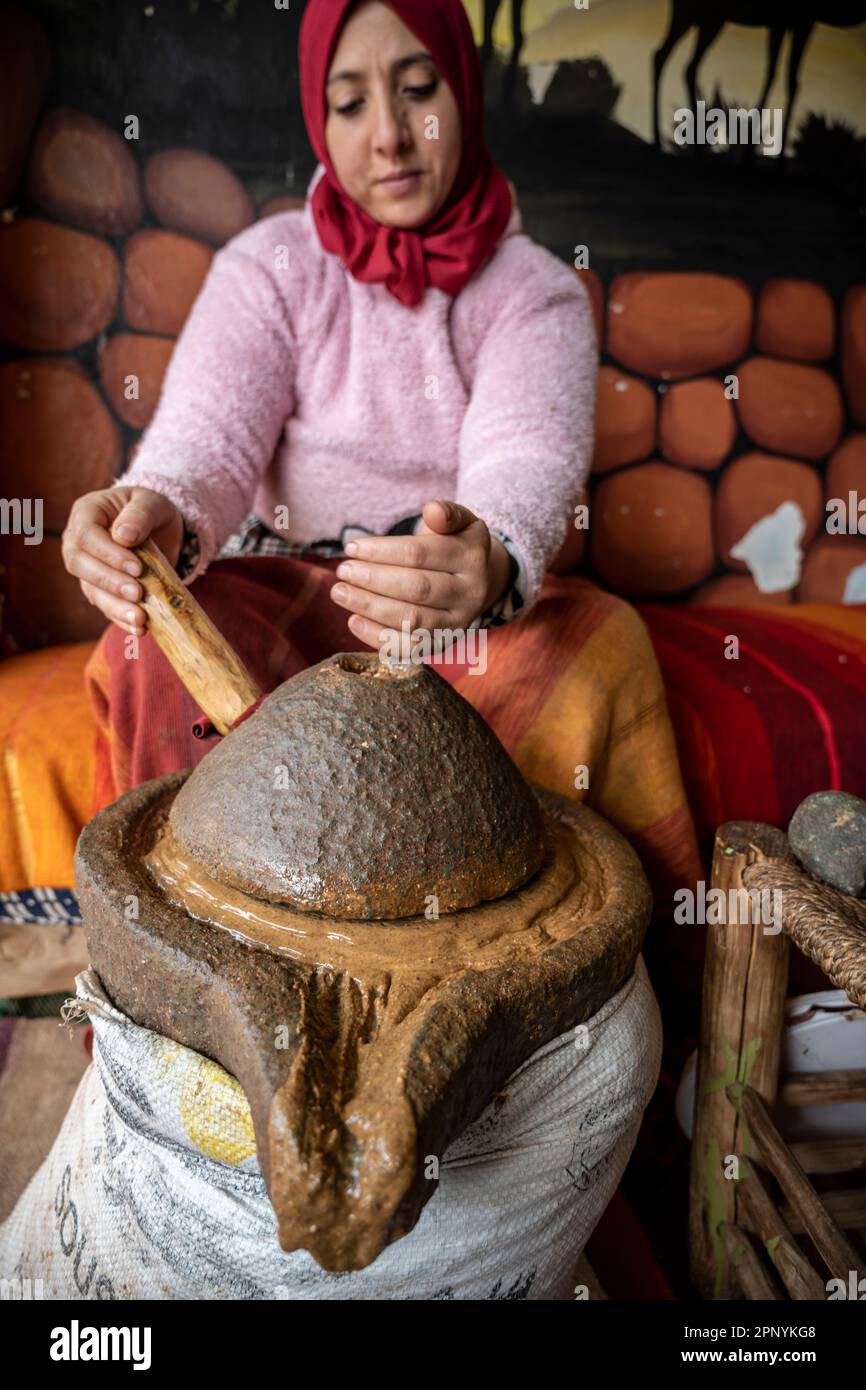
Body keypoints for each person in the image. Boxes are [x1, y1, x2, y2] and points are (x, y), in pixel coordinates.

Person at [63, 0, 701, 909]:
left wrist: (484, 555)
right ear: (319, 122)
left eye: (418, 90)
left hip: (450, 619)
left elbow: (524, 459)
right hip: (283, 590)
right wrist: (156, 505)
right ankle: (182, 980)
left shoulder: (534, 290)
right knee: (147, 650)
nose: (392, 138)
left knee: (603, 645)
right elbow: (206, 438)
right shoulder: (269, 264)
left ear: (467, 94)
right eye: (351, 102)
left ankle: (556, 977)